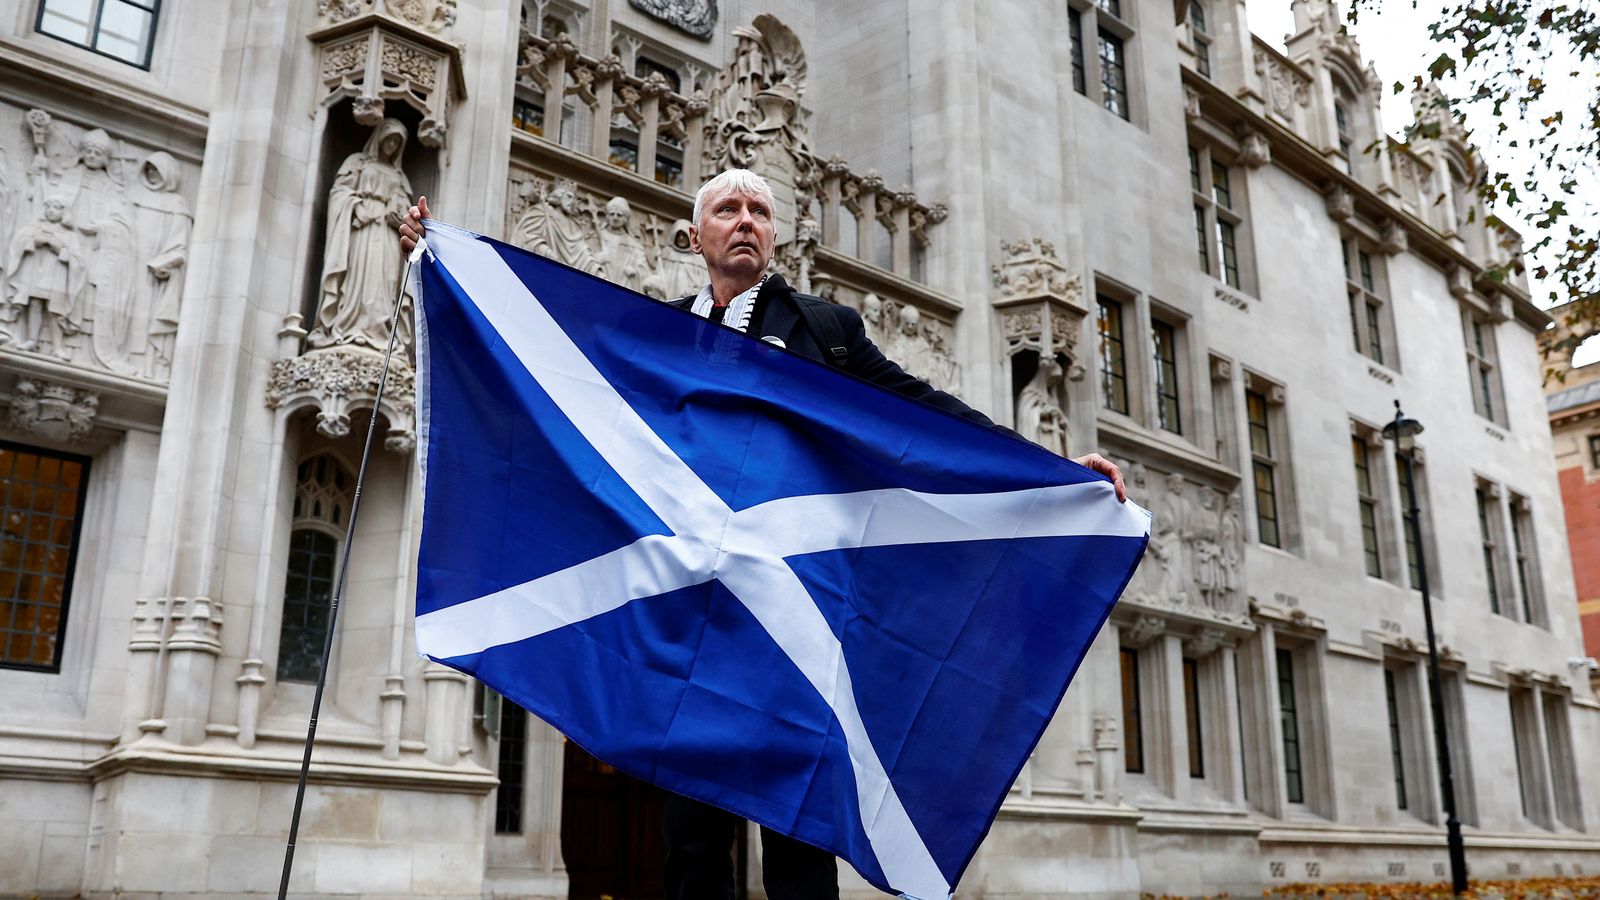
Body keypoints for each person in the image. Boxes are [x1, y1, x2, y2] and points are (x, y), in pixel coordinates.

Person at [399, 169, 1127, 900]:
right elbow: (547, 371)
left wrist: (1049, 468)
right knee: (690, 843)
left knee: (798, 843)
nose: (744, 220)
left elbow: (924, 415)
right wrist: (439, 261)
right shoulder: (654, 337)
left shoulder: (823, 329)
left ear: (775, 237)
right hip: (689, 627)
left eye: (758, 211)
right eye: (727, 209)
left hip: (790, 625)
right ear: (695, 235)